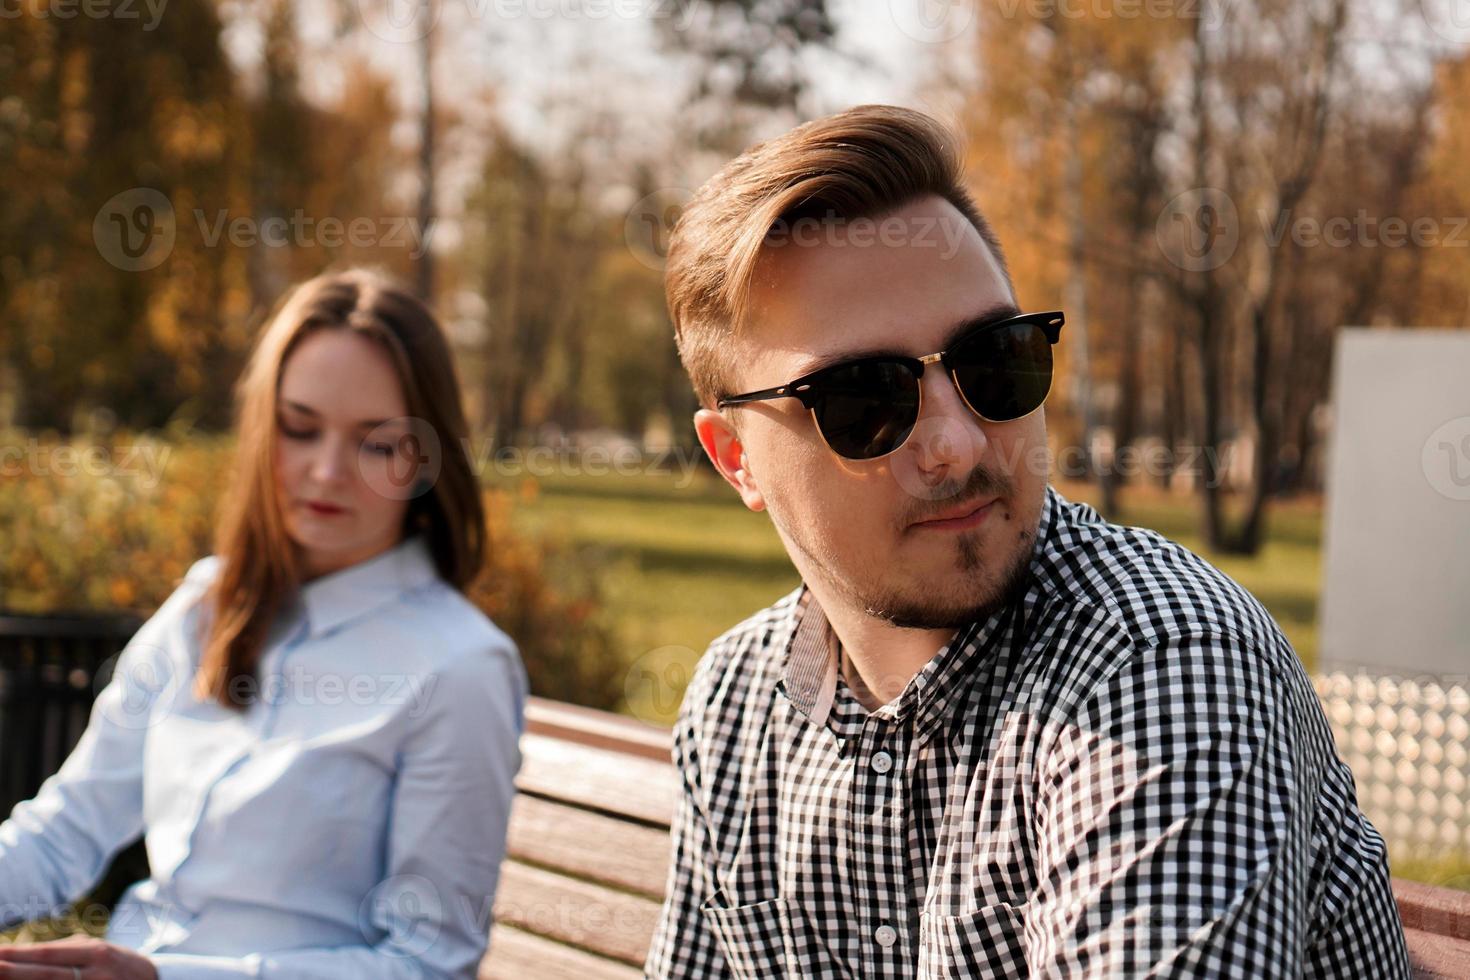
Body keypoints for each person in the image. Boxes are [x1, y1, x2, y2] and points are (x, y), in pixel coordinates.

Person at [644, 105, 1410, 978]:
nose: (959, 445)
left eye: (994, 359)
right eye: (864, 399)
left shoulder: (1160, 665)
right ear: (736, 458)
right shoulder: (736, 705)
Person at [0, 269, 528, 978]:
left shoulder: (462, 668)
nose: (327, 471)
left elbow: (428, 963)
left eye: (376, 442)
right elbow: (66, 831)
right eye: (299, 428)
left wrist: (167, 978)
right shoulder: (206, 605)